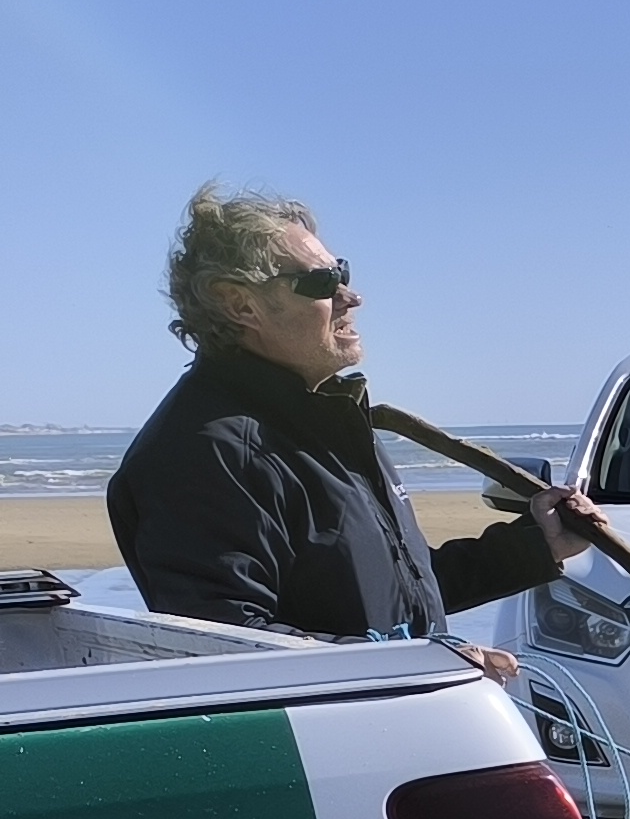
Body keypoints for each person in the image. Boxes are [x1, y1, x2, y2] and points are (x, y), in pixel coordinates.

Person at [108, 186, 582, 682]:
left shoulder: (324, 417)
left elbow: (393, 598)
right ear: (239, 304)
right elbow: (230, 644)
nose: (351, 297)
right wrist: (418, 666)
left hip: (403, 726)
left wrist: (536, 545)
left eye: (344, 274)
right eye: (321, 282)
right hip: (330, 751)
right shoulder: (206, 453)